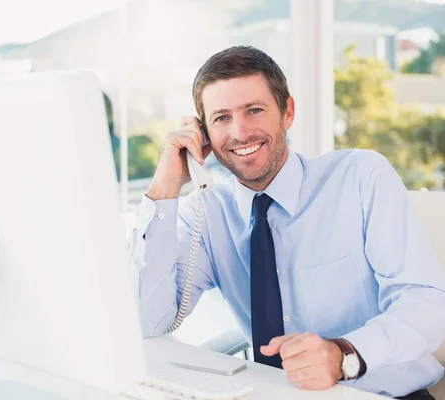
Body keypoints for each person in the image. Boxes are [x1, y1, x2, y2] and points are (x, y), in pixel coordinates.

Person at [127, 45, 445, 400]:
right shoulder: (206, 213)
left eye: (255, 110)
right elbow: (146, 321)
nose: (240, 132)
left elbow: (425, 304)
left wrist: (343, 356)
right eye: (221, 118)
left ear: (288, 111)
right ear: (203, 133)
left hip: (383, 394)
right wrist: (165, 186)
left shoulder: (360, 177)